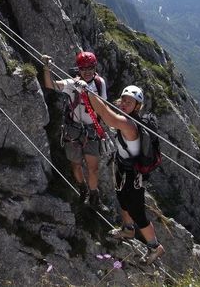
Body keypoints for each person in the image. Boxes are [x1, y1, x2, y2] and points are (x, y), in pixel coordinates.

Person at [78, 82, 165, 265]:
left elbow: (107, 117)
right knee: (123, 200)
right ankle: (128, 229)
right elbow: (108, 112)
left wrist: (89, 91)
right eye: (123, 100)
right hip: (123, 168)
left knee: (137, 211)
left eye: (130, 102)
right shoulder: (124, 117)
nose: (125, 104)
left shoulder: (129, 124)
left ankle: (155, 247)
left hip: (133, 174)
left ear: (137, 107)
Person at [42, 51, 109, 211]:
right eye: (83, 68)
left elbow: (103, 108)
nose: (87, 71)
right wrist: (46, 68)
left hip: (91, 130)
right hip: (73, 129)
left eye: (90, 68)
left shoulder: (99, 83)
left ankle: (94, 196)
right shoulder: (72, 83)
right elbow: (50, 85)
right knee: (76, 165)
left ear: (95, 67)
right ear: (78, 68)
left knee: (93, 168)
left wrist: (88, 93)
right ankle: (83, 189)